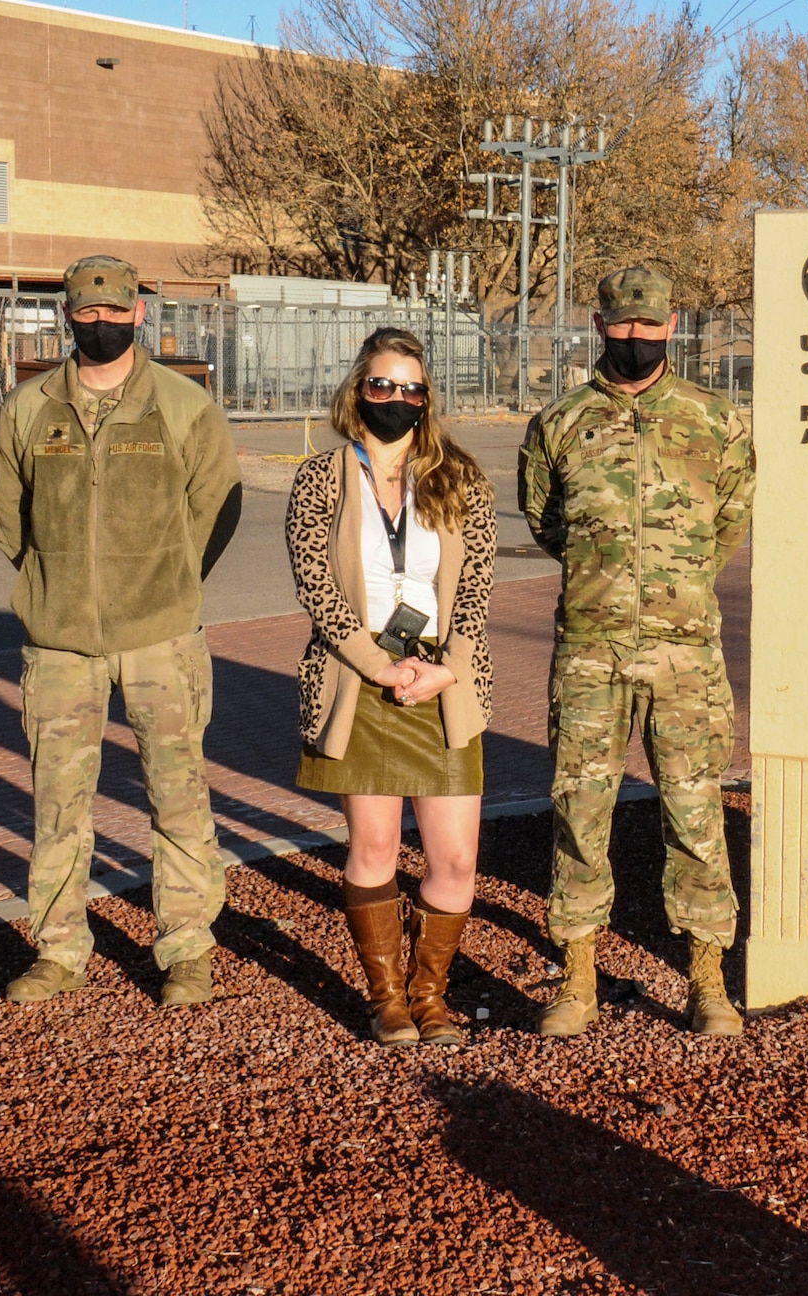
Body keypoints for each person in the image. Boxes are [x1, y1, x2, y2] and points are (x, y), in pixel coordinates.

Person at [0, 256, 242, 1008]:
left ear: (138, 315)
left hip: (162, 635)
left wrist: (168, 578)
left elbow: (213, 504)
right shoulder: (30, 408)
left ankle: (188, 946)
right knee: (59, 802)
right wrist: (53, 578)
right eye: (85, 313)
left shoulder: (181, 405)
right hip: (61, 641)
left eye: (113, 312)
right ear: (67, 315)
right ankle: (59, 949)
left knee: (178, 793)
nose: (99, 325)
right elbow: (9, 514)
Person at [519, 266, 756, 1038]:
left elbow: (729, 521)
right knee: (580, 810)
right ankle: (578, 973)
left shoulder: (715, 420)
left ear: (673, 324)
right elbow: (547, 524)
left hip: (684, 652)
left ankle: (707, 976)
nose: (635, 339)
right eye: (621, 325)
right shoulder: (560, 423)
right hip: (589, 649)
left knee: (694, 810)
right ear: (597, 323)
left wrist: (670, 591)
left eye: (649, 326)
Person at [287, 327, 495, 1047]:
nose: (396, 399)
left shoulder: (460, 478)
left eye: (411, 388)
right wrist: (376, 664)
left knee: (456, 860)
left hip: (443, 683)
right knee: (374, 850)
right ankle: (386, 998)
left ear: (427, 399)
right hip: (359, 678)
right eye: (383, 385)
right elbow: (315, 584)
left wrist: (447, 664)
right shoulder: (321, 477)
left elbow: (476, 588)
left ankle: (429, 994)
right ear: (358, 391)